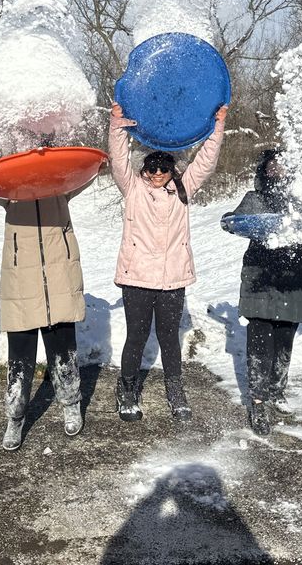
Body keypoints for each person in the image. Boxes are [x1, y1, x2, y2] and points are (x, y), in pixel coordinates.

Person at [109, 101, 228, 422]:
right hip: (137, 278)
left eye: (163, 168)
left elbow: (205, 162)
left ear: (172, 169)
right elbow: (118, 159)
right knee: (136, 336)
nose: (158, 173)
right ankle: (128, 388)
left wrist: (217, 126)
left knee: (169, 337)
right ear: (143, 169)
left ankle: (175, 389)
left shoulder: (182, 189)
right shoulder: (133, 189)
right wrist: (117, 125)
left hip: (173, 278)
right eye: (152, 168)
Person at [0, 183, 91, 451]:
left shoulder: (60, 181)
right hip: (21, 280)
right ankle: (15, 417)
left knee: (63, 350)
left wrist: (96, 166)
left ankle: (71, 404)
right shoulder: (13, 186)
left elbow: (81, 175)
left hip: (59, 275)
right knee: (20, 356)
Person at [224, 149, 302, 436]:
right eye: (272, 166)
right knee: (260, 340)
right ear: (264, 170)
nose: (277, 170)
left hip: (291, 275)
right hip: (259, 274)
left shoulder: (301, 199)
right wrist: (230, 221)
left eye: (283, 166)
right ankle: (258, 401)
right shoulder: (254, 198)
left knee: (285, 338)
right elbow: (234, 220)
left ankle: (276, 389)